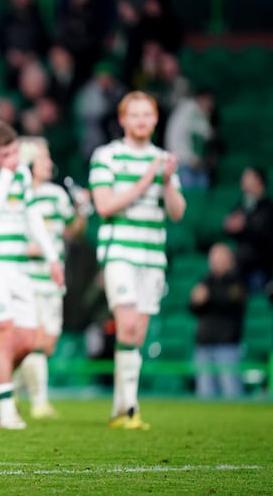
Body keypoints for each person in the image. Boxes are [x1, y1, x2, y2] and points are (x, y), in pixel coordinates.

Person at [88, 90, 186, 429]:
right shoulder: (107, 156)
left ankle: (122, 407)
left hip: (152, 255)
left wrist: (168, 181)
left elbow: (177, 212)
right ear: (123, 120)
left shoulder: (163, 159)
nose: (142, 120)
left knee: (138, 334)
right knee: (126, 325)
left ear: (156, 119)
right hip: (120, 252)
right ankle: (130, 408)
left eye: (147, 114)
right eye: (135, 114)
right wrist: (148, 180)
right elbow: (104, 205)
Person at [0, 123, 64, 430]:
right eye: (6, 154)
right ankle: (6, 411)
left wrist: (53, 257)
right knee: (3, 335)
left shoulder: (21, 175)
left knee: (29, 340)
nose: (14, 159)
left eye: (15, 152)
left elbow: (32, 217)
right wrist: (5, 174)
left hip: (20, 267)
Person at [18, 137, 87, 419]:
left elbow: (73, 233)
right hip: (27, 277)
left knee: (48, 342)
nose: (50, 165)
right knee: (35, 340)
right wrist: (31, 249)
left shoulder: (57, 194)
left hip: (52, 277)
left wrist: (82, 210)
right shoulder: (18, 194)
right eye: (44, 160)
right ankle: (39, 402)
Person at [189, 243, 246, 399]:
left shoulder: (237, 280)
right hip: (204, 344)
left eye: (221, 257)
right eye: (214, 258)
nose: (217, 261)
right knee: (204, 393)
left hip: (228, 345)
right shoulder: (205, 279)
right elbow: (192, 308)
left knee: (232, 392)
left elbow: (232, 302)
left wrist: (207, 297)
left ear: (230, 259)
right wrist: (195, 301)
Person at [223, 167, 273, 294]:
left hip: (260, 267)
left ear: (258, 181)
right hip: (240, 266)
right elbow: (230, 226)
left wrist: (245, 225)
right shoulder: (242, 204)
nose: (243, 183)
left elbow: (263, 234)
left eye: (247, 179)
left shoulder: (268, 208)